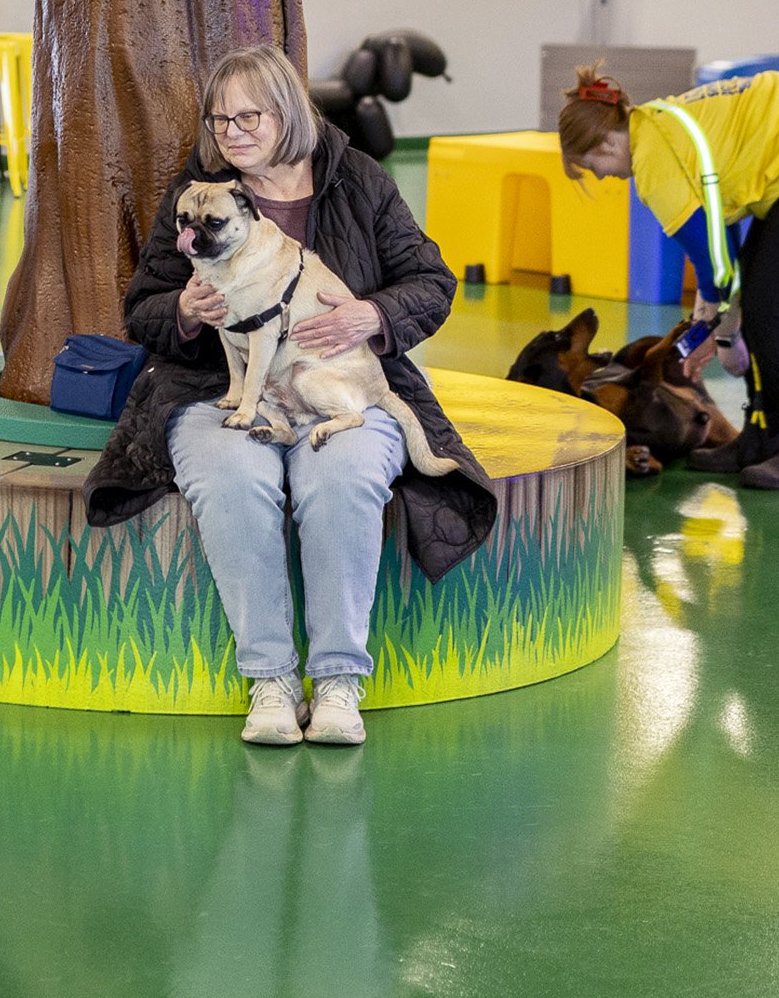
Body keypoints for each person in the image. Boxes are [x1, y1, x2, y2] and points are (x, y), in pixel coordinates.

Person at [84, 45, 493, 750]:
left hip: (340, 377)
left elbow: (432, 281)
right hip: (213, 384)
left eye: (249, 116)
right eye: (220, 120)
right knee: (233, 479)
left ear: (288, 112)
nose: (232, 132)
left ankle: (337, 681)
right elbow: (141, 307)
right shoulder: (197, 193)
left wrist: (373, 314)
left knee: (343, 478)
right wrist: (182, 310)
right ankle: (270, 679)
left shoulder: (357, 179)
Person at [556, 64, 779, 489]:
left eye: (591, 166)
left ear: (608, 143)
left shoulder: (654, 164)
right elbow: (722, 235)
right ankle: (763, 434)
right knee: (757, 295)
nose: (600, 176)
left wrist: (720, 333)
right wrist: (720, 322)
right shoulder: (655, 123)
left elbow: (715, 264)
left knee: (775, 309)